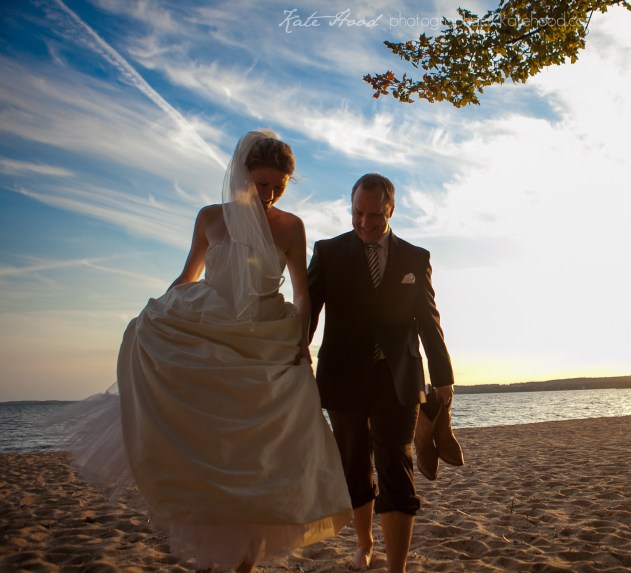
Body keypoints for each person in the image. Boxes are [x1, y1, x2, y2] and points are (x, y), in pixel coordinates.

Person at [59, 130, 353, 572]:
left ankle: (244, 561)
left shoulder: (291, 226)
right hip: (209, 330)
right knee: (213, 450)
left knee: (263, 457)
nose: (269, 194)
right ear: (243, 175)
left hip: (265, 341)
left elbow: (301, 292)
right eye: (261, 184)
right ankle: (216, 552)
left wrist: (302, 341)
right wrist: (151, 320)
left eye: (278, 186)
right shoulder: (210, 218)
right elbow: (188, 276)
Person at [307, 173, 455, 572]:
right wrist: (295, 354)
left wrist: (444, 381)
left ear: (390, 210)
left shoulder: (415, 257)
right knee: (354, 465)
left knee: (396, 464)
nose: (365, 222)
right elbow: (310, 311)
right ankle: (364, 543)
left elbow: (429, 321)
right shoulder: (327, 251)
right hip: (342, 376)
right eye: (357, 212)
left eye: (374, 214)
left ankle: (397, 567)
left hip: (398, 378)